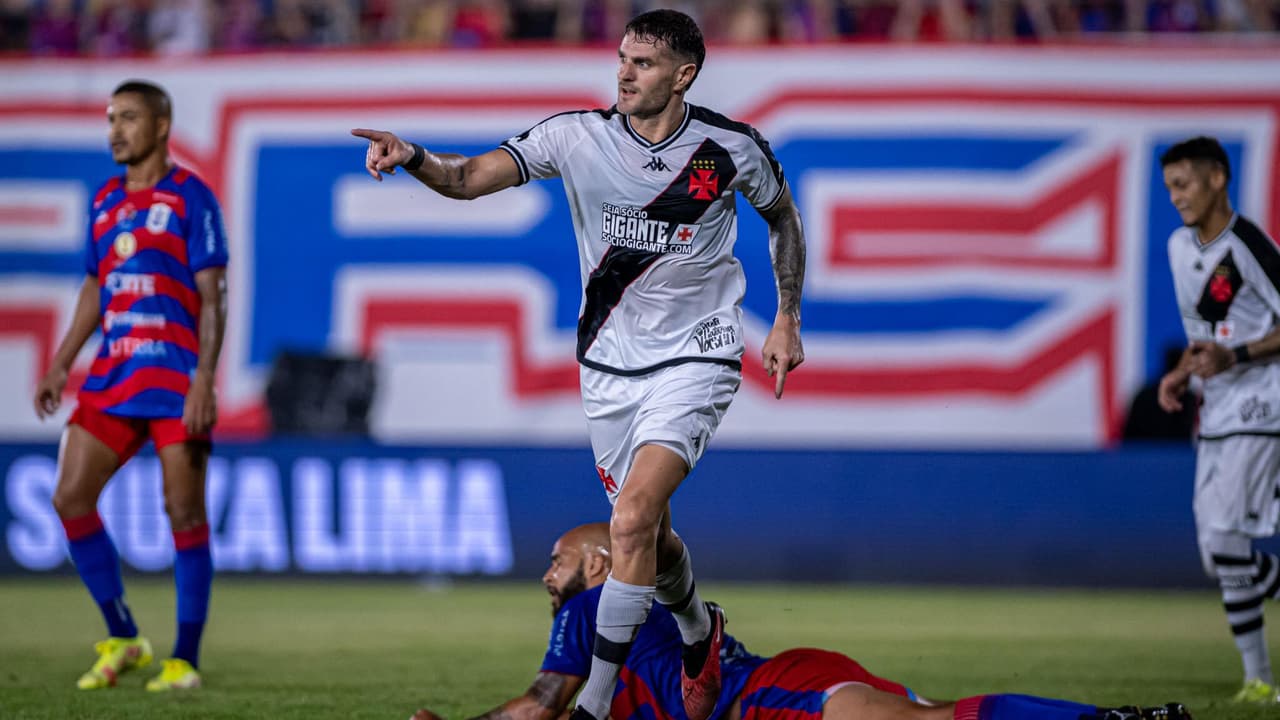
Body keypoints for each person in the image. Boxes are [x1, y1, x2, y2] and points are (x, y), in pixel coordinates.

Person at [352, 10, 805, 720]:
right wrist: (413, 156)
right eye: (623, 59)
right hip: (609, 367)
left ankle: (591, 709)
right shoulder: (576, 136)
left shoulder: (729, 148)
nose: (624, 73)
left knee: (629, 521)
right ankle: (699, 631)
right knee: (648, 533)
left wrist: (786, 316)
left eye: (645, 64)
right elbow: (468, 177)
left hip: (698, 352)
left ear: (684, 75)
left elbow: (782, 217)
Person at [407, 522, 1193, 720]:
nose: (548, 573)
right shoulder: (621, 610)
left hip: (775, 697)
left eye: (560, 557)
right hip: (784, 681)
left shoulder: (590, 608)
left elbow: (540, 707)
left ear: (601, 568)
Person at [32, 79, 228, 692]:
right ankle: (123, 636)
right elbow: (96, 287)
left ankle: (185, 660)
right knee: (69, 497)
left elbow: (212, 296)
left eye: (130, 117)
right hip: (114, 376)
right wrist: (63, 361)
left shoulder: (192, 196)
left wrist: (204, 379)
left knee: (183, 510)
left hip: (174, 378)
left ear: (162, 125)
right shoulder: (104, 200)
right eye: (111, 118)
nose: (116, 129)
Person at [1156, 135, 1280, 705]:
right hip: (1217, 409)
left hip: (1262, 405)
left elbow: (1240, 341)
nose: (1176, 196)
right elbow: (1206, 329)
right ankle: (1257, 680)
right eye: (1169, 188)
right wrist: (1183, 372)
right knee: (1216, 553)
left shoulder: (1250, 243)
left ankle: (1259, 680)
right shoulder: (1182, 249)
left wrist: (1240, 356)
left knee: (1230, 540)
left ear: (1218, 179)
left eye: (1183, 184)